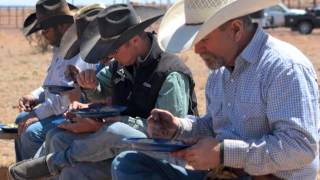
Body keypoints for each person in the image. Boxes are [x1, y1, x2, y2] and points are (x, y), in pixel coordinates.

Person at [111, 0, 320, 179]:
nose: (197, 49)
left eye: (204, 39)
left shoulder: (284, 67)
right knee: (128, 163)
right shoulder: (219, 73)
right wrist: (178, 127)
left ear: (236, 30)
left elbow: (300, 148)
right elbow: (215, 125)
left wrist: (224, 153)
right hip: (223, 172)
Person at [8, 4, 198, 180]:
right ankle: (53, 165)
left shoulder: (170, 73)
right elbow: (100, 89)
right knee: (62, 144)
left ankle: (52, 162)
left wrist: (110, 124)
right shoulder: (121, 65)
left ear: (134, 40)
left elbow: (168, 132)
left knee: (114, 130)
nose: (110, 56)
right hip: (121, 146)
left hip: (160, 158)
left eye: (113, 49)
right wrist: (90, 85)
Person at [15, 0, 95, 161]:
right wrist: (35, 95)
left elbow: (73, 96)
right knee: (20, 120)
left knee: (31, 132)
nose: (43, 33)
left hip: (71, 113)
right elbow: (52, 85)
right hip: (57, 110)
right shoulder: (59, 49)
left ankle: (36, 172)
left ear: (62, 26)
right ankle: (23, 171)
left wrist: (38, 114)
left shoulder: (81, 52)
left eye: (46, 29)